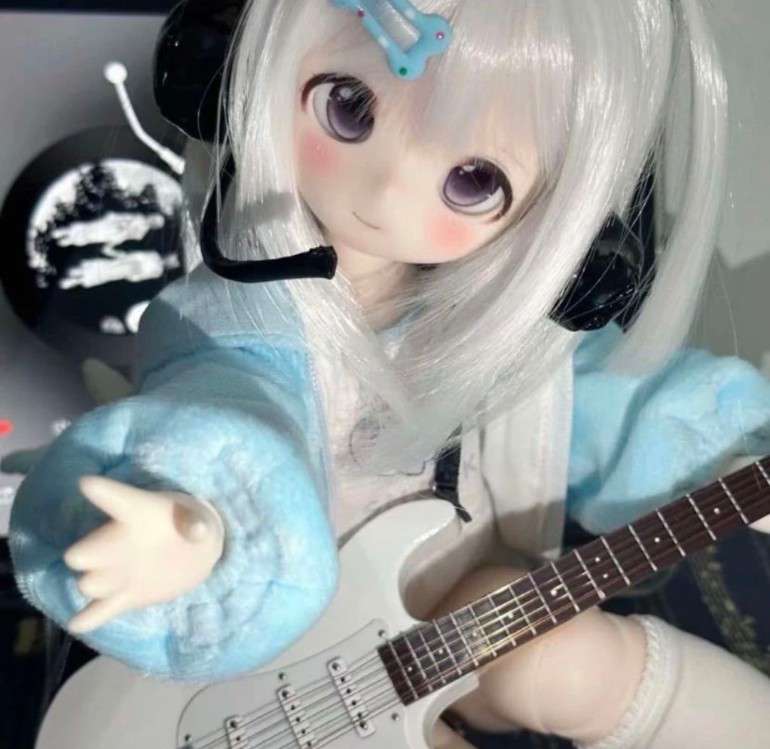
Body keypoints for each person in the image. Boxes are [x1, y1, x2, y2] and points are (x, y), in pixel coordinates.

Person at [7, 1, 770, 747]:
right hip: (279, 677)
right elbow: (228, 403)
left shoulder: (506, 336)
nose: (386, 190)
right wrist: (203, 525)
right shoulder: (240, 316)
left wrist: (730, 456)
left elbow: (619, 412)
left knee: (548, 650)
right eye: (349, 107)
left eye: (473, 179)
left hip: (450, 633)